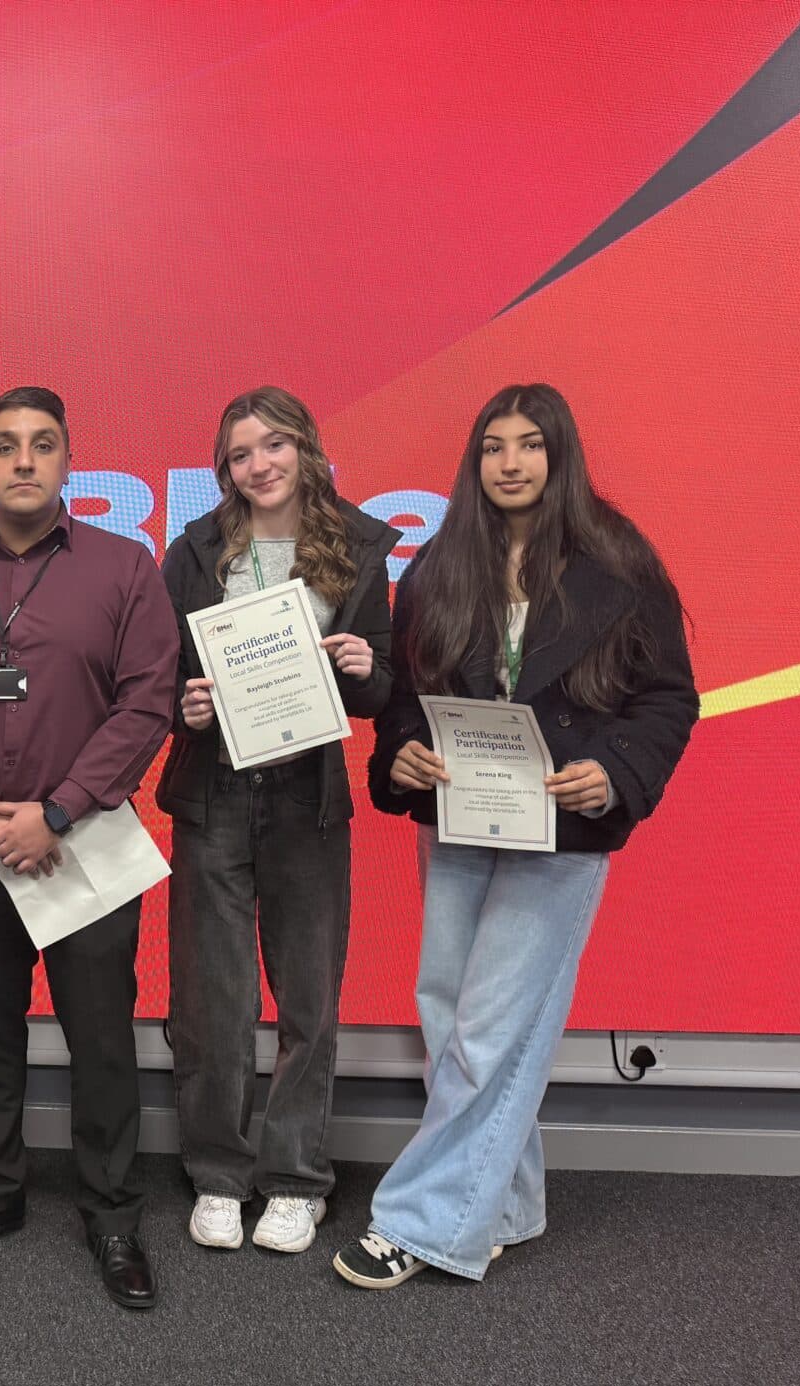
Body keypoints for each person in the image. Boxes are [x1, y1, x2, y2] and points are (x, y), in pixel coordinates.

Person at [335, 382, 698, 1288]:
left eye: (529, 445)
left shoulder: (620, 564)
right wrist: (408, 752)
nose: (510, 462)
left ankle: (423, 1224)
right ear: (476, 460)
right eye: (493, 446)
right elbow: (407, 700)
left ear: (558, 454)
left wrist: (614, 770)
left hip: (561, 830)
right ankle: (507, 1204)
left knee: (492, 1031)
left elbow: (668, 698)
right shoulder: (441, 566)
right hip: (458, 821)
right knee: (450, 1015)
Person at [0, 386, 178, 1310]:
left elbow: (147, 703)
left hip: (85, 841)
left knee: (101, 1036)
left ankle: (113, 1209)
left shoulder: (127, 568)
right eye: (4, 445)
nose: (22, 460)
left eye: (41, 445)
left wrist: (56, 810)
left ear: (66, 462)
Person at [158, 387, 398, 1254]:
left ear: (306, 448)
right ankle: (219, 1172)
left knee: (309, 997)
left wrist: (369, 666)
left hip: (309, 795)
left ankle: (295, 1179)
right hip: (215, 790)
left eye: (273, 446)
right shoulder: (194, 551)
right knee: (213, 998)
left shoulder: (363, 547)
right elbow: (155, 678)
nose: (258, 465)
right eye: (239, 454)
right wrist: (178, 705)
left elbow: (379, 693)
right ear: (223, 470)